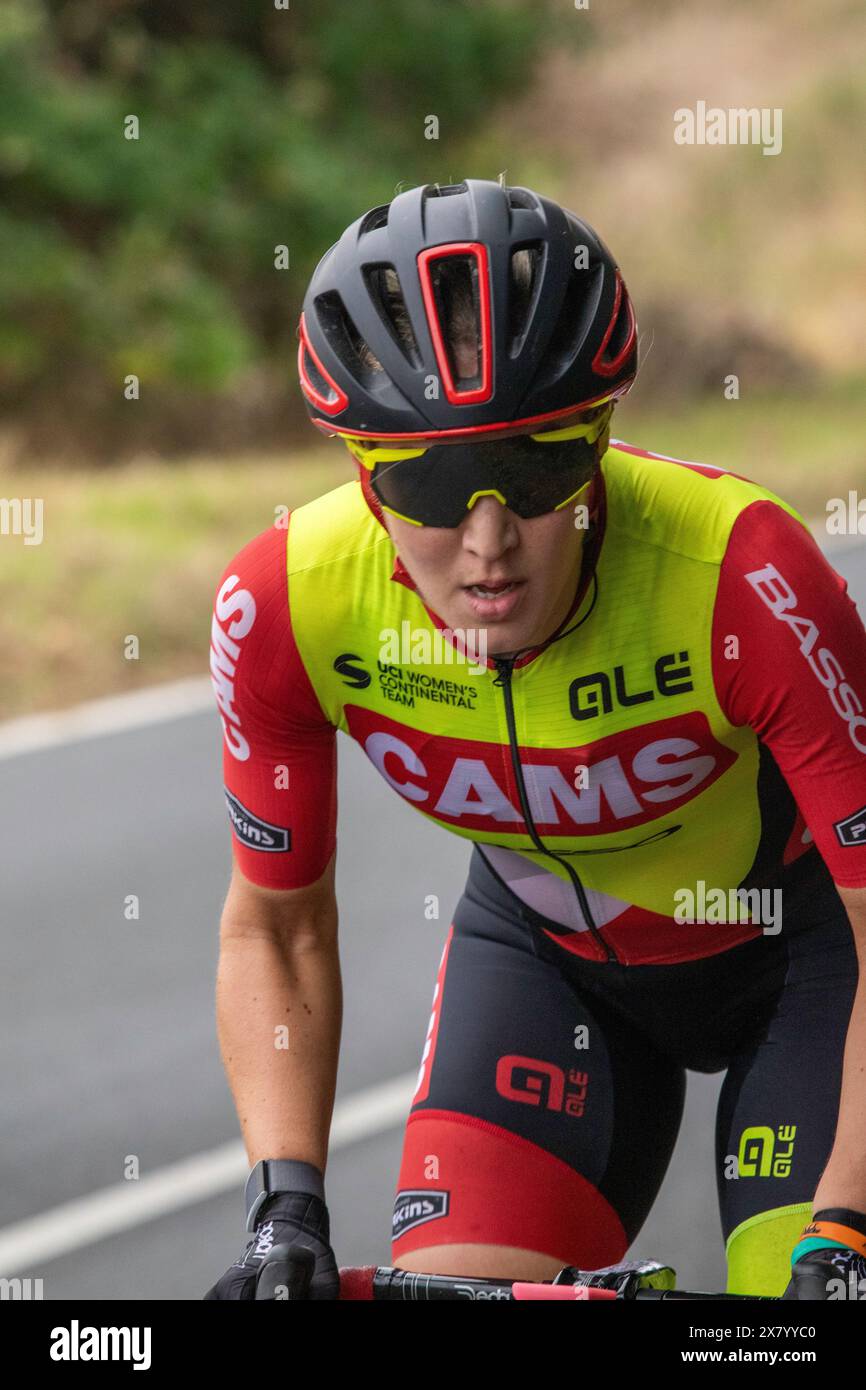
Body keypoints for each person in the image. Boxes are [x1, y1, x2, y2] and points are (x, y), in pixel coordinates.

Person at [204, 179, 866, 1301]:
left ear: (601, 438)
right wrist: (286, 1208)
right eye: (429, 482)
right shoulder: (288, 601)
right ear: (361, 473)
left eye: (539, 469)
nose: (487, 540)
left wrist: (843, 1232)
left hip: (805, 960)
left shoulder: (740, 576)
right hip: (544, 964)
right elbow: (274, 926)